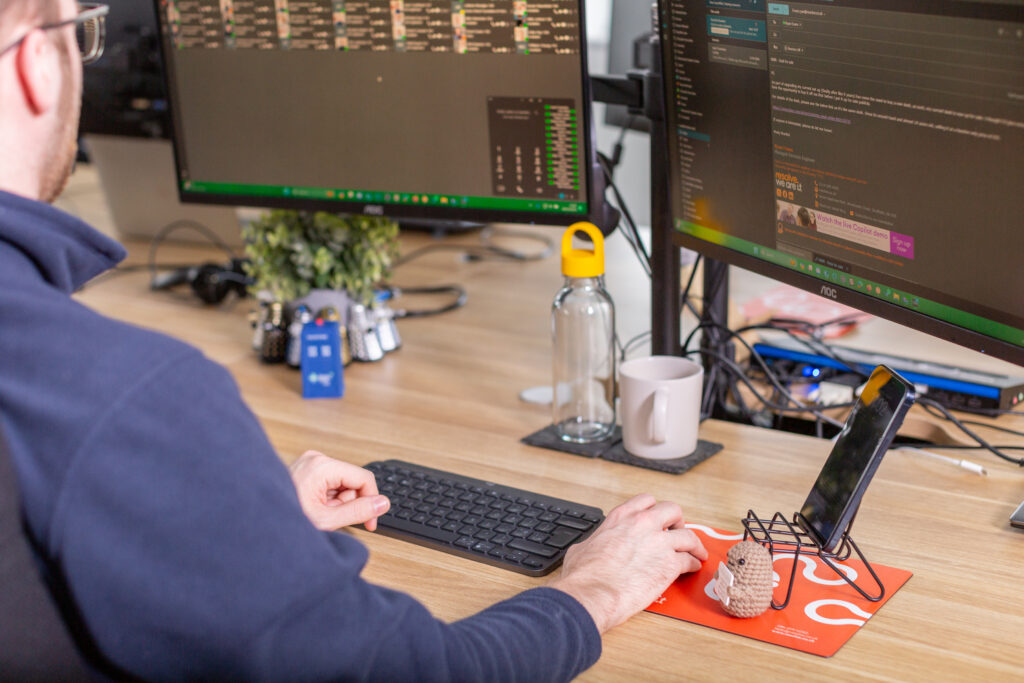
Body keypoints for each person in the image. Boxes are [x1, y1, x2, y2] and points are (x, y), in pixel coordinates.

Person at [0, 0, 708, 679]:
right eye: (80, 32)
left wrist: (222, 520)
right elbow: (411, 672)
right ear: (37, 61)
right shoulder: (127, 398)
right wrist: (597, 588)